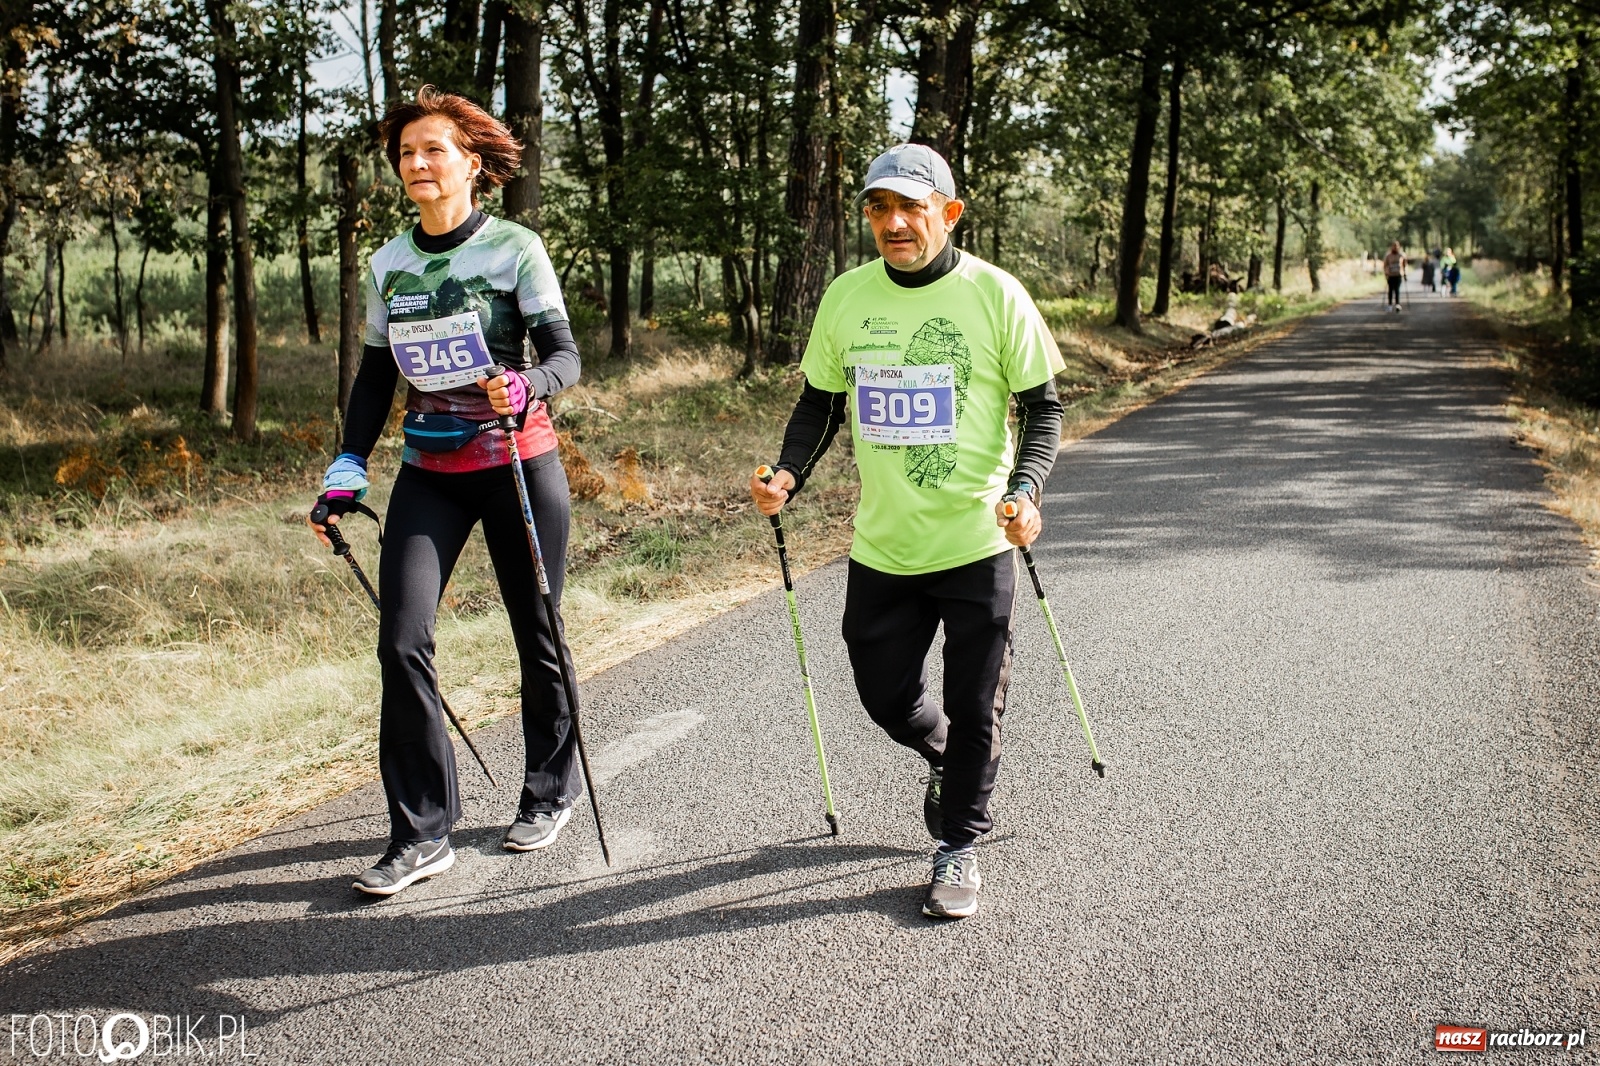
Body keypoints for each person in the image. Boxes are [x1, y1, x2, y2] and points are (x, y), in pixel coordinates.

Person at [749, 144, 1066, 920]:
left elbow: (1044, 410)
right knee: (884, 695)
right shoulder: (847, 298)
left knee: (975, 704)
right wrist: (788, 472)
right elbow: (821, 405)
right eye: (879, 209)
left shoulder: (995, 295)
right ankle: (945, 759)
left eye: (911, 209)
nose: (894, 223)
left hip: (976, 541)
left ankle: (958, 842)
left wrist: (1025, 490)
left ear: (948, 214)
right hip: (883, 548)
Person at [308, 86, 585, 896]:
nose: (418, 164)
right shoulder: (389, 263)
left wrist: (528, 384)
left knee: (536, 630)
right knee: (402, 642)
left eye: (433, 150)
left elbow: (564, 356)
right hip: (429, 474)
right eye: (406, 154)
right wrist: (348, 463)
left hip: (516, 463)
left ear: (471, 164)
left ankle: (549, 788)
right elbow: (372, 375)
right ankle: (423, 832)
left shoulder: (514, 249)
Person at [1382, 241, 1406, 311]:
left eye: (1396, 246)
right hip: (1390, 275)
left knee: (1397, 289)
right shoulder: (1388, 256)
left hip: (1398, 274)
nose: (1395, 247)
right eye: (1394, 246)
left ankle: (1397, 304)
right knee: (1390, 290)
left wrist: (1404, 273)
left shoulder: (1401, 255)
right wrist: (1386, 273)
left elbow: (1404, 264)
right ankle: (1390, 305)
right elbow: (1385, 265)